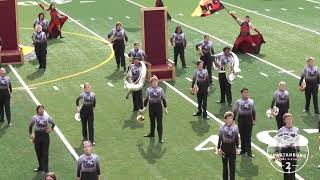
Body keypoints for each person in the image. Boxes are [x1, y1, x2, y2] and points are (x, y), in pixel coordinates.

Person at [140, 76, 168, 143]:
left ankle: (160, 138)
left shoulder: (160, 89)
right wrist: (144, 108)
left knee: (159, 123)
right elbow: (146, 100)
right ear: (151, 83)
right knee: (152, 122)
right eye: (153, 82)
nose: (154, 83)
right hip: (151, 108)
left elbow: (163, 99)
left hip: (159, 109)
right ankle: (152, 134)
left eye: (155, 82)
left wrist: (165, 108)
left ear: (157, 82)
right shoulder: (148, 90)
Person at [29, 105, 55, 173]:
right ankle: (40, 167)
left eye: (42, 109)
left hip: (45, 136)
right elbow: (30, 126)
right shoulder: (34, 118)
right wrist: (31, 134)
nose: (41, 110)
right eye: (40, 109)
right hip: (37, 136)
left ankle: (46, 170)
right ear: (37, 110)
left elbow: (53, 124)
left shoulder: (47, 117)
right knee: (38, 152)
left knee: (45, 153)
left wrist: (51, 129)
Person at [275, 113, 299, 180]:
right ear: (284, 120)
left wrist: (297, 152)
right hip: (284, 151)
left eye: (291, 119)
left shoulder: (296, 130)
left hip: (293, 151)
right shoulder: (281, 130)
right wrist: (277, 153)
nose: (290, 120)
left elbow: (297, 142)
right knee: (285, 170)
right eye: (288, 119)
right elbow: (278, 142)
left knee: (292, 170)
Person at [233, 88, 256, 157]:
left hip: (249, 121)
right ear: (242, 94)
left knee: (248, 137)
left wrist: (254, 120)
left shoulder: (251, 101)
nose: (246, 94)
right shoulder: (238, 102)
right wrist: (233, 120)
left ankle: (249, 152)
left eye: (247, 92)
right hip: (241, 121)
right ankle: (243, 150)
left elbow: (253, 111)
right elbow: (235, 111)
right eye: (244, 92)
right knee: (242, 136)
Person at [218, 111, 239, 180]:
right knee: (225, 167)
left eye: (231, 118)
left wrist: (237, 148)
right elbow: (220, 139)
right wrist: (218, 148)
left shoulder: (235, 128)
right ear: (225, 119)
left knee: (232, 168)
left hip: (232, 150)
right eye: (228, 118)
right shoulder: (222, 128)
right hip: (224, 150)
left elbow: (237, 138)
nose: (230, 120)